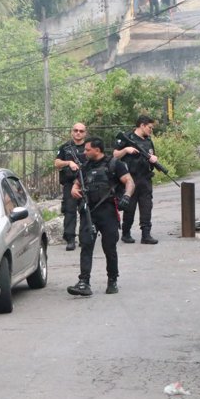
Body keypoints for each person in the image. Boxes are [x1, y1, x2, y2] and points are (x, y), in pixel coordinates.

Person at [67, 137, 134, 296]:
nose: (85, 152)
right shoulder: (85, 166)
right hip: (88, 211)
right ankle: (84, 282)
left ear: (97, 150)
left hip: (108, 212)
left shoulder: (114, 164)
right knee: (86, 246)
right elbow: (76, 184)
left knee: (109, 248)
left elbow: (129, 181)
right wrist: (74, 190)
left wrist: (127, 196)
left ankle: (112, 280)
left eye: (87, 149)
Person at [113, 115, 159, 245]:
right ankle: (126, 233)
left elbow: (151, 154)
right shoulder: (127, 138)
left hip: (145, 178)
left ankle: (146, 234)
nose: (151, 130)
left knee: (146, 207)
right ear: (142, 125)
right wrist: (126, 150)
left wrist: (154, 159)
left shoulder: (148, 141)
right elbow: (115, 155)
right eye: (150, 127)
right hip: (130, 179)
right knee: (130, 208)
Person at [54, 123, 87, 251]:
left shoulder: (88, 147)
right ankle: (70, 239)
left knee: (85, 210)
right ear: (72, 132)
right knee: (69, 211)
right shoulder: (65, 148)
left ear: (85, 133)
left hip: (85, 183)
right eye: (76, 130)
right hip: (69, 184)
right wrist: (68, 162)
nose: (78, 133)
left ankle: (85, 238)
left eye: (81, 131)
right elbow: (57, 163)